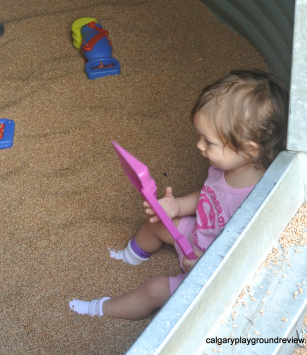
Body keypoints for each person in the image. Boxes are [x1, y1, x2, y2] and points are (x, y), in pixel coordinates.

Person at [69, 69, 289, 320]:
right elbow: (209, 196)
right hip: (196, 234)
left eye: (209, 142)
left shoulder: (257, 201)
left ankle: (101, 310)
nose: (199, 145)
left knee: (153, 290)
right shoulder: (225, 165)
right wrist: (177, 206)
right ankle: (129, 258)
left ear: (249, 151)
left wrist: (205, 266)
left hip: (206, 267)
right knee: (155, 224)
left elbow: (245, 260)